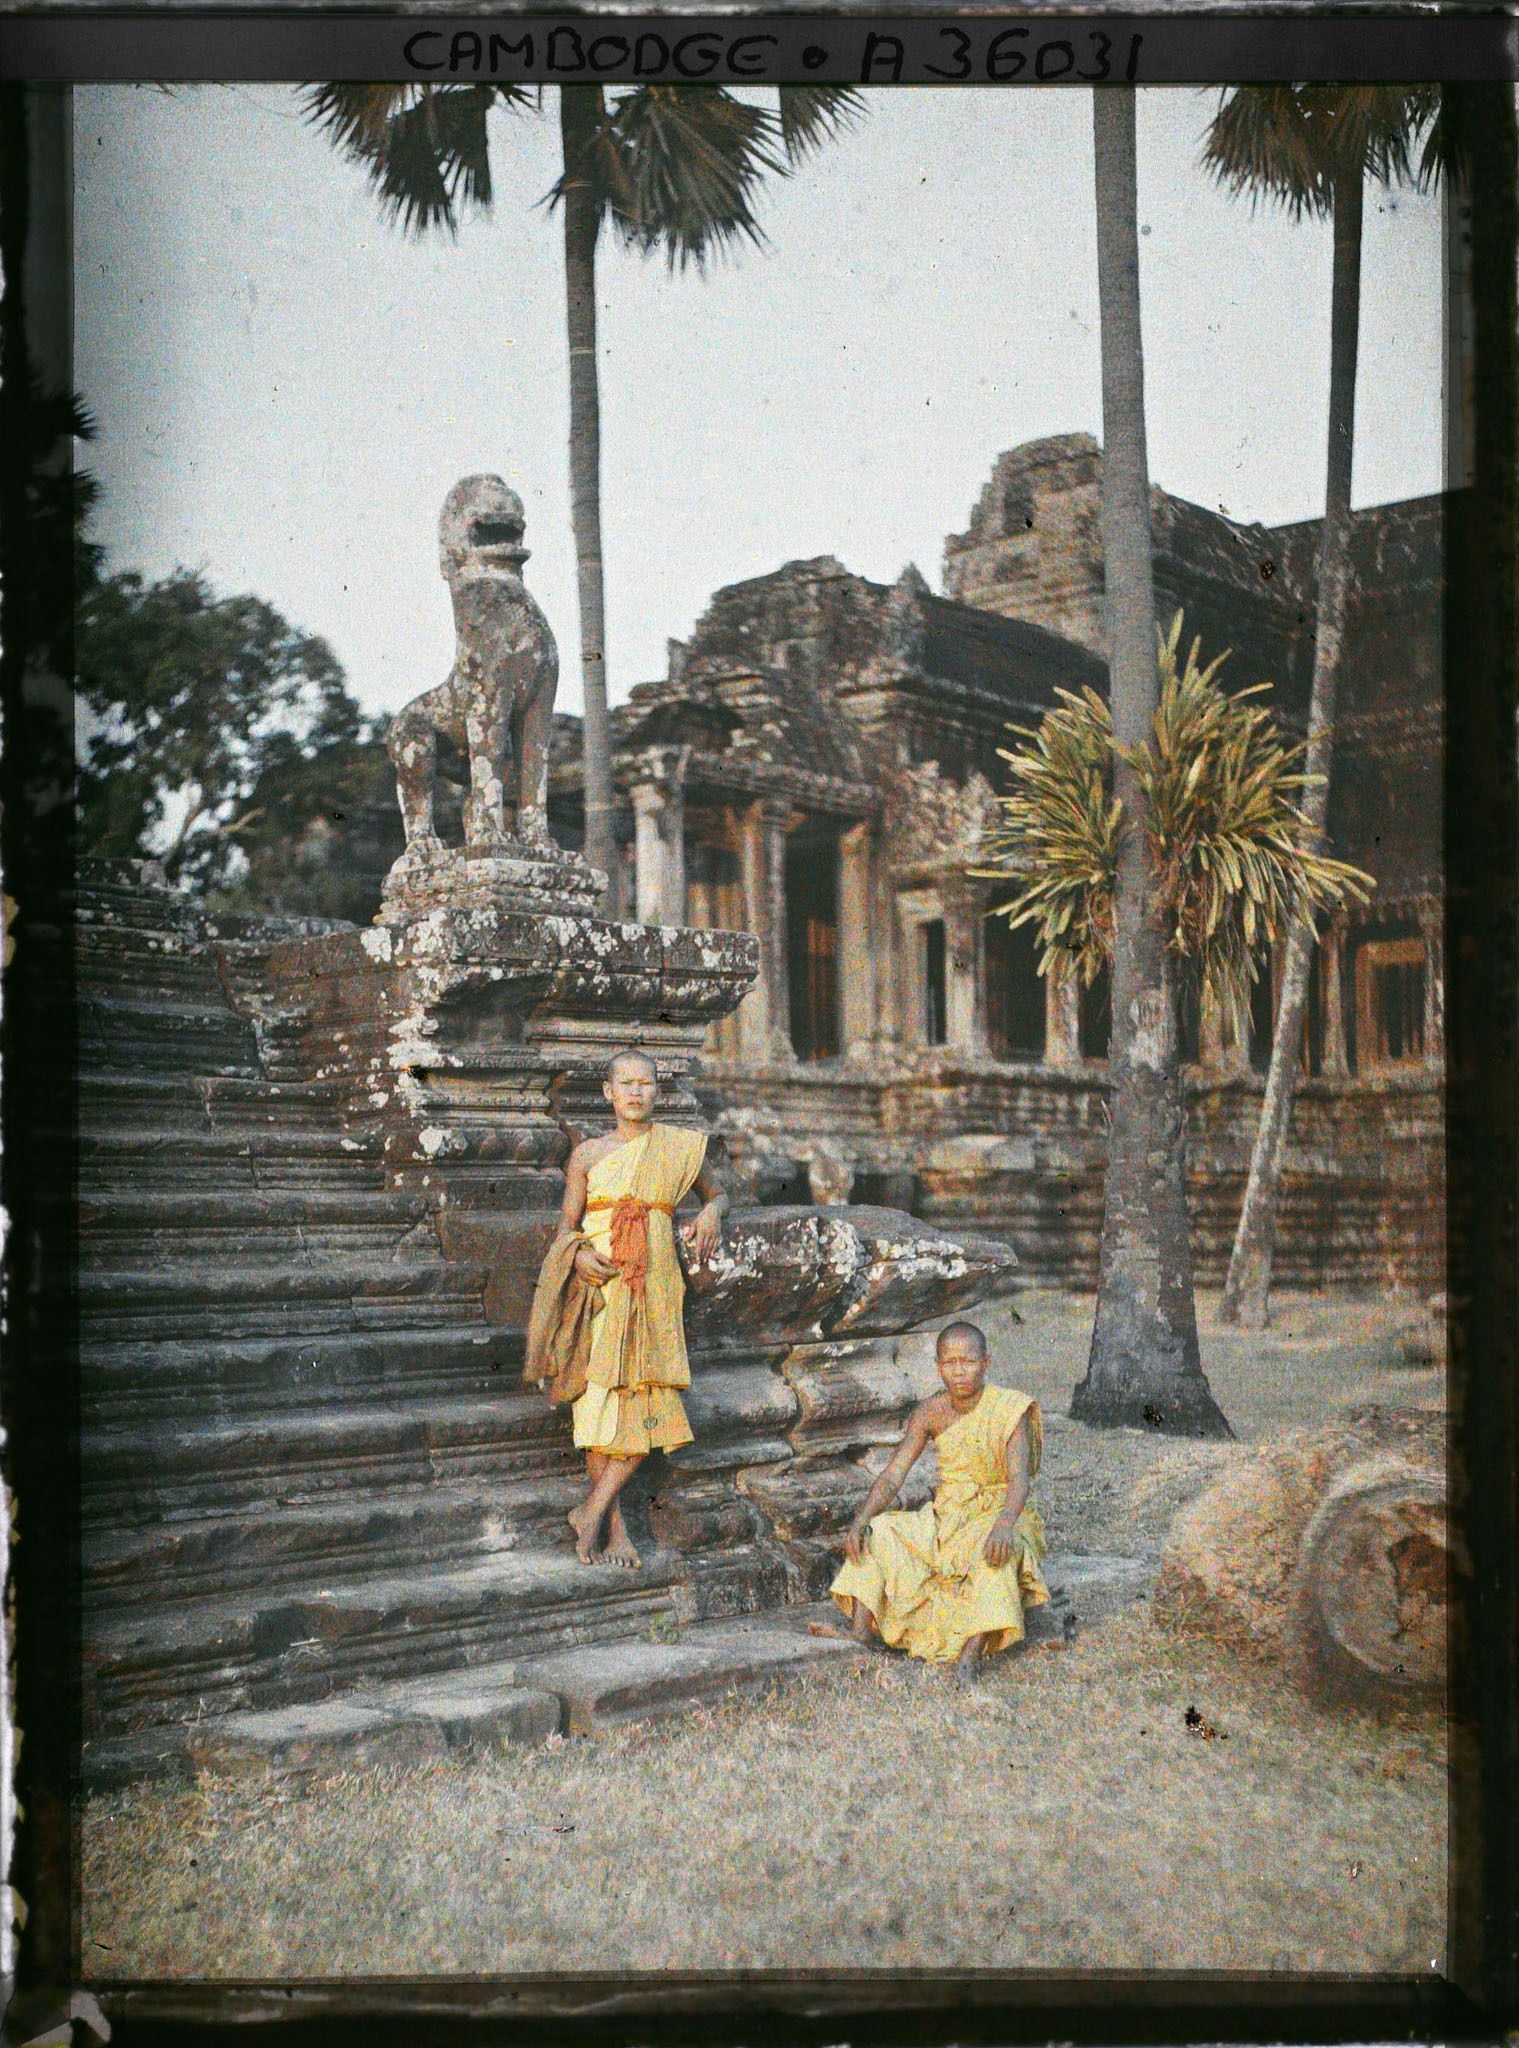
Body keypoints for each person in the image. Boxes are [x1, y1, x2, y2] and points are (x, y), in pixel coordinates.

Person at [525, 1049, 727, 1569]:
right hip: (603, 1286)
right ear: (608, 1093)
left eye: (646, 1084)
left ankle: (590, 1510)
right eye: (626, 1084)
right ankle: (613, 1528)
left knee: (650, 1400)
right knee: (599, 1406)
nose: (636, 1093)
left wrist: (711, 1212)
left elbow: (720, 1193)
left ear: (657, 1091)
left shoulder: (679, 1147)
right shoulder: (588, 1155)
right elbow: (565, 1229)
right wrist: (577, 1255)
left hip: (654, 1286)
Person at [827, 1322, 1049, 1687]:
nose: (959, 1371)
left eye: (968, 1362)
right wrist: (861, 1519)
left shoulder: (1011, 1409)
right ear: (938, 1366)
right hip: (948, 1514)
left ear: (986, 1363)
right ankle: (861, 1631)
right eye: (950, 1362)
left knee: (993, 1553)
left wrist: (1003, 1525)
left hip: (1001, 1511)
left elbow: (1019, 1480)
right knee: (880, 1531)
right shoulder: (930, 1412)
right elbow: (893, 1475)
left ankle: (970, 1657)